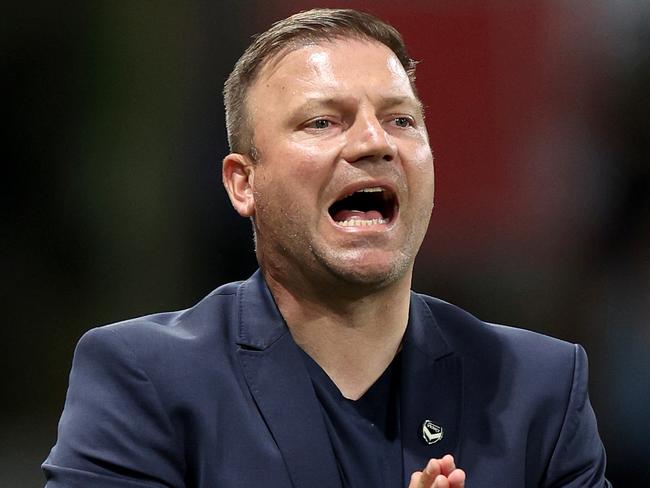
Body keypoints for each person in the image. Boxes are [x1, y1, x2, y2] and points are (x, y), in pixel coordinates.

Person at [42, 8, 610, 488]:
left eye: (401, 119)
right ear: (244, 183)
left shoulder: (540, 390)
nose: (374, 142)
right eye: (322, 122)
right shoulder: (146, 378)